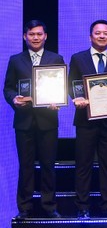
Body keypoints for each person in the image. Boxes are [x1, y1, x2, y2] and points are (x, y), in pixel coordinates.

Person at [3, 20, 65, 219]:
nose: (36, 38)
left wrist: (58, 100)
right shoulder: (15, 60)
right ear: (25, 37)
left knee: (48, 165)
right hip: (24, 121)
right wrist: (14, 98)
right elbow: (8, 88)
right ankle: (24, 208)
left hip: (48, 120)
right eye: (32, 34)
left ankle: (49, 206)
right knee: (26, 165)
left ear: (45, 36)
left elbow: (62, 87)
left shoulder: (56, 58)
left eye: (39, 34)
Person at [68, 19, 107, 219]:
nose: (102, 36)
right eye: (98, 33)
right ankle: (82, 207)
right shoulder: (78, 58)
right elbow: (72, 85)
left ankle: (106, 206)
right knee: (83, 165)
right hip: (85, 121)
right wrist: (76, 98)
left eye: (106, 33)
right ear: (90, 36)